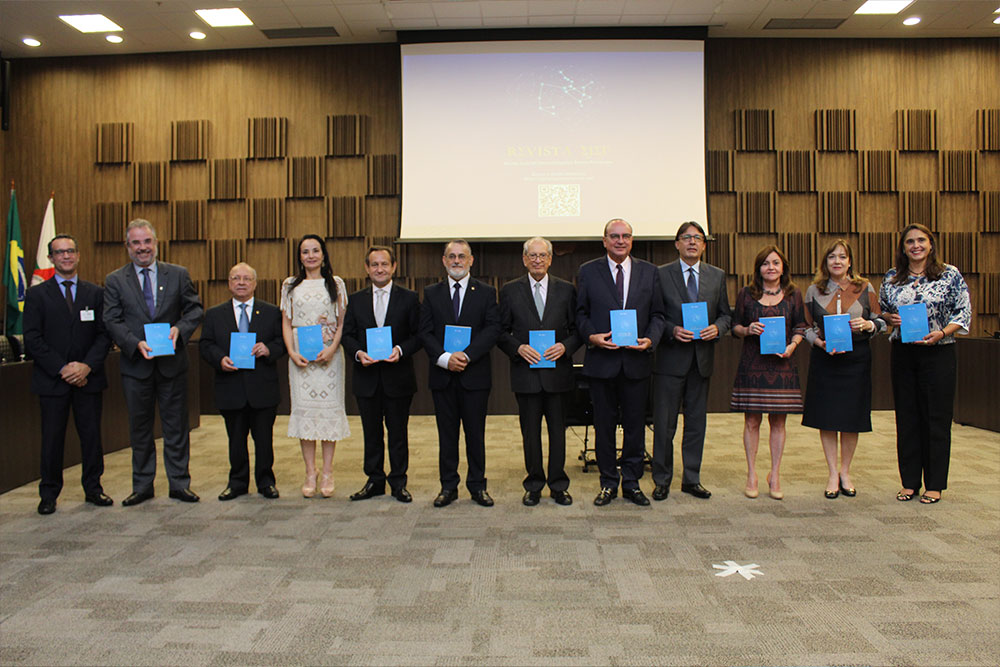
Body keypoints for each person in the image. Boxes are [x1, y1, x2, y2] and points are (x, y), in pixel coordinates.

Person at [103, 219, 203, 506]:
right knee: (140, 428)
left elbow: (194, 310)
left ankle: (179, 484)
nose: (142, 248)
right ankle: (143, 485)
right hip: (136, 366)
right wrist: (134, 343)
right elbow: (111, 319)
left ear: (156, 244)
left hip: (172, 364)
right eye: (136, 243)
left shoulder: (178, 274)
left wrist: (180, 330)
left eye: (147, 241)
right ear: (127, 246)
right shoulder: (115, 280)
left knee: (176, 427)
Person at [878, 223, 971, 505]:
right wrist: (888, 319)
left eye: (921, 240)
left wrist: (942, 333)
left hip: (939, 352)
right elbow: (883, 311)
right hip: (903, 353)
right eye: (909, 242)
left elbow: (963, 311)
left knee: (936, 418)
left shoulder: (949, 274)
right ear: (903, 248)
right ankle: (909, 482)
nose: (915, 246)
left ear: (930, 244)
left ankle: (934, 484)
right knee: (907, 417)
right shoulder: (893, 277)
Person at [576, 219, 666, 507]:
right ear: (604, 240)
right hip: (602, 362)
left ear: (632, 240)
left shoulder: (650, 272)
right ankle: (607, 483)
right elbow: (579, 314)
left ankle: (631, 481)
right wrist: (592, 336)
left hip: (636, 362)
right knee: (603, 426)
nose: (620, 240)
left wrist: (650, 340)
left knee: (635, 426)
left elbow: (658, 316)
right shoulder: (588, 271)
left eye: (626, 236)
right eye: (614, 236)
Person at [23, 234, 112, 515]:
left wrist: (86, 366)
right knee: (52, 438)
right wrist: (63, 369)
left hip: (89, 379)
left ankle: (93, 488)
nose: (66, 256)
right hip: (53, 381)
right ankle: (49, 493)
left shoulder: (95, 293)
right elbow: (32, 338)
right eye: (59, 252)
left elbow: (103, 336)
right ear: (50, 258)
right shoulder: (37, 294)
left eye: (70, 251)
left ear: (78, 255)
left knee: (91, 436)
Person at [651, 222, 732, 502]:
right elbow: (653, 317)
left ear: (704, 245)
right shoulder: (660, 275)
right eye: (686, 238)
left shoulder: (717, 276)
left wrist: (717, 329)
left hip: (701, 360)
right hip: (669, 361)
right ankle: (661, 479)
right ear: (676, 244)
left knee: (696, 423)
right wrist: (672, 330)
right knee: (665, 424)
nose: (692, 242)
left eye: (697, 238)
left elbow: (725, 314)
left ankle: (691, 479)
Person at [498, 237, 582, 507]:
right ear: (524, 259)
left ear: (550, 259)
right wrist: (518, 348)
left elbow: (578, 330)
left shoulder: (567, 290)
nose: (537, 260)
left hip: (558, 374)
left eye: (542, 255)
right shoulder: (510, 291)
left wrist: (566, 347)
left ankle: (558, 484)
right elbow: (500, 331)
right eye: (532, 256)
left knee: (558, 432)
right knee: (530, 433)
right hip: (526, 375)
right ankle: (534, 483)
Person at [419, 239, 501, 508]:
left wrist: (466, 355)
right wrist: (445, 358)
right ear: (444, 260)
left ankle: (477, 486)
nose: (456, 261)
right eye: (451, 256)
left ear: (471, 260)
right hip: (443, 376)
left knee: (475, 435)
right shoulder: (431, 293)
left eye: (461, 257)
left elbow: (492, 329)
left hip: (474, 375)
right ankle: (448, 487)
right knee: (447, 435)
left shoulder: (487, 292)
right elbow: (425, 332)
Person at [802, 240, 885, 499]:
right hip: (825, 359)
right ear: (825, 262)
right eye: (831, 257)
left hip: (856, 359)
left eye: (842, 257)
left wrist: (868, 325)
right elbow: (803, 327)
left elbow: (882, 321)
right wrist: (817, 341)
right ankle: (831, 473)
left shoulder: (865, 287)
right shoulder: (813, 291)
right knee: (826, 418)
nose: (837, 261)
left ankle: (846, 472)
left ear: (850, 261)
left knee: (851, 418)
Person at [342, 246, 421, 503]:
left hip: (398, 377)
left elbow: (419, 335)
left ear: (394, 267)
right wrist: (358, 354)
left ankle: (398, 482)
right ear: (367, 268)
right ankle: (374, 480)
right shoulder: (355, 300)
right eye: (374, 264)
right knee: (371, 434)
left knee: (398, 433)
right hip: (367, 379)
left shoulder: (409, 298)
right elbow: (348, 335)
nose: (380, 269)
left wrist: (400, 349)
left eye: (384, 264)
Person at [199, 262, 285, 501]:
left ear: (255, 283)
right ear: (229, 283)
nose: (241, 283)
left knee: (264, 440)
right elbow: (205, 345)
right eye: (236, 278)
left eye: (246, 279)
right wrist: (220, 359)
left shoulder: (270, 312)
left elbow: (282, 342)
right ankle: (237, 483)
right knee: (235, 440)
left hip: (262, 388)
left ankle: (266, 482)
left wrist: (268, 349)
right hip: (231, 387)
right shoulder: (215, 314)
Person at [730, 245, 807, 501]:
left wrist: (792, 346)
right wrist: (747, 329)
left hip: (782, 365)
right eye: (765, 263)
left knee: (778, 422)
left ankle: (774, 474)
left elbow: (800, 326)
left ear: (783, 266)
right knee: (752, 422)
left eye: (775, 263)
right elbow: (735, 327)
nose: (770, 267)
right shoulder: (746, 294)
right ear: (758, 268)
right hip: (752, 366)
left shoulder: (794, 294)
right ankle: (751, 474)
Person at [281, 234, 350, 498]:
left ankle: (329, 471)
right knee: (306, 414)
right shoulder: (290, 285)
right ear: (299, 256)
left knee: (328, 414)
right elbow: (286, 323)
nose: (310, 256)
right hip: (300, 358)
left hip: (329, 356)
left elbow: (342, 321)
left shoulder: (336, 284)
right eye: (305, 251)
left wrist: (332, 348)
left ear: (323, 254)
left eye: (315, 251)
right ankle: (310, 472)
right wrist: (291, 352)